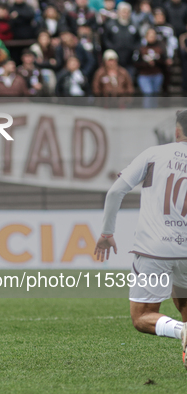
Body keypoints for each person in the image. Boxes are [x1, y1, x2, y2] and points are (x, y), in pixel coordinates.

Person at [94, 109, 187, 369]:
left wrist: (106, 233)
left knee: (142, 316)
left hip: (154, 249)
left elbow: (116, 192)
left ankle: (181, 331)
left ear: (176, 130)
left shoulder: (154, 153)